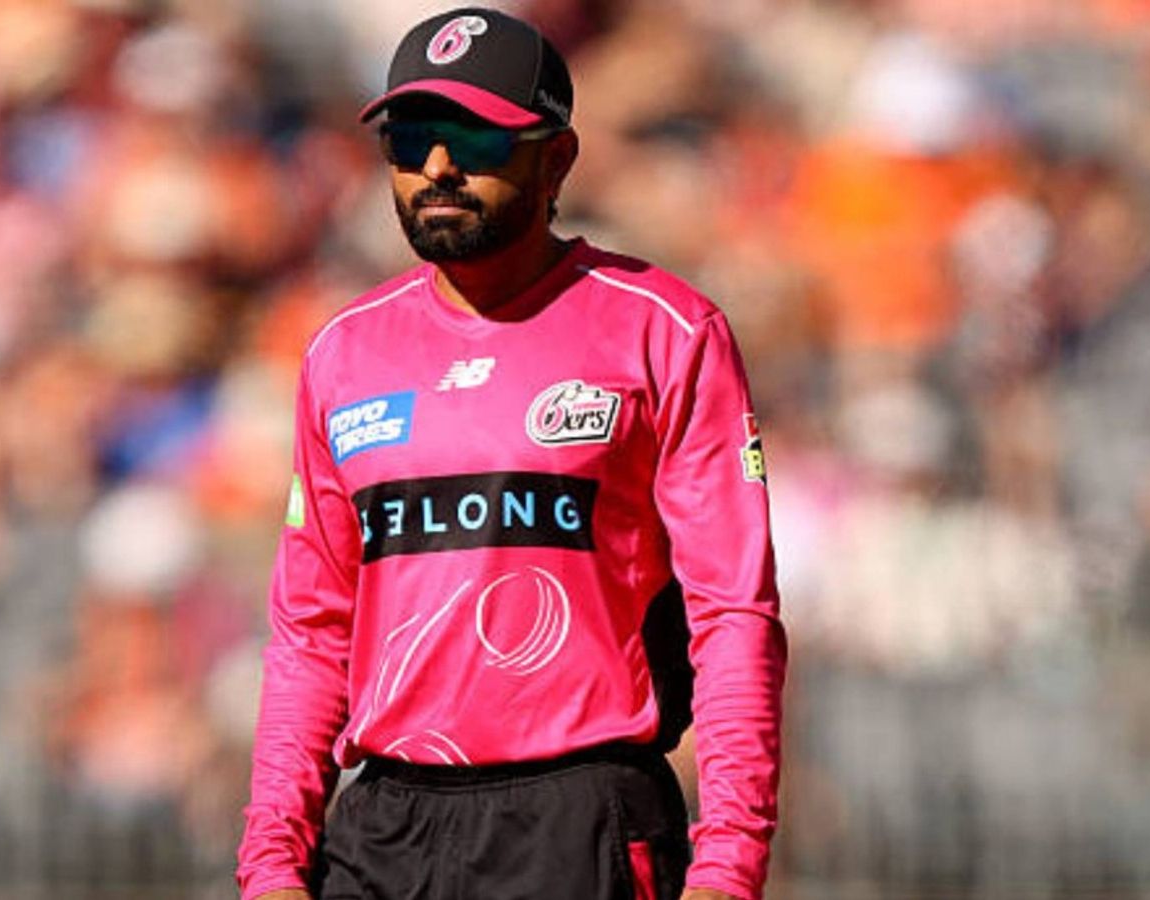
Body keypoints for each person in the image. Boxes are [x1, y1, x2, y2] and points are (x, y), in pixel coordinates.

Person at [238, 8, 786, 900]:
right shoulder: (343, 352)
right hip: (381, 829)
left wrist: (730, 865)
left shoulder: (666, 330)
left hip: (579, 823)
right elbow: (310, 632)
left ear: (557, 157)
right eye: (412, 140)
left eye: (474, 137)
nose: (438, 169)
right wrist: (269, 867)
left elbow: (735, 615)